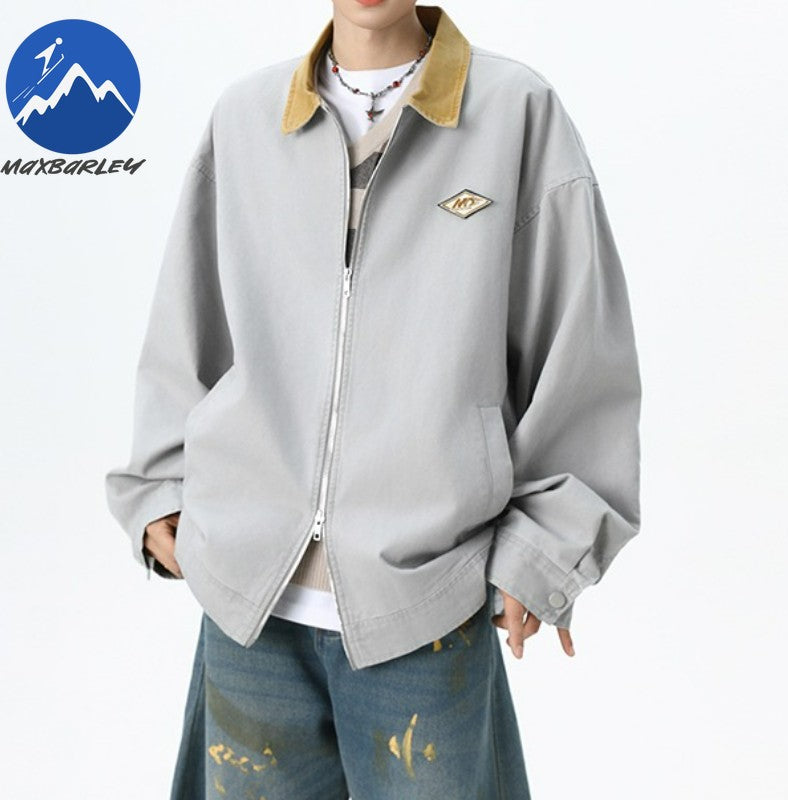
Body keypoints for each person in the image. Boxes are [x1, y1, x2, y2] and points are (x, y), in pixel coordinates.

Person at [104, 2, 642, 797]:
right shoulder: (247, 118)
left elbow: (581, 350)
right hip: (249, 610)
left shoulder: (515, 113)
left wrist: (547, 551)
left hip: (425, 605)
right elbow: (188, 326)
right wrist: (160, 491)